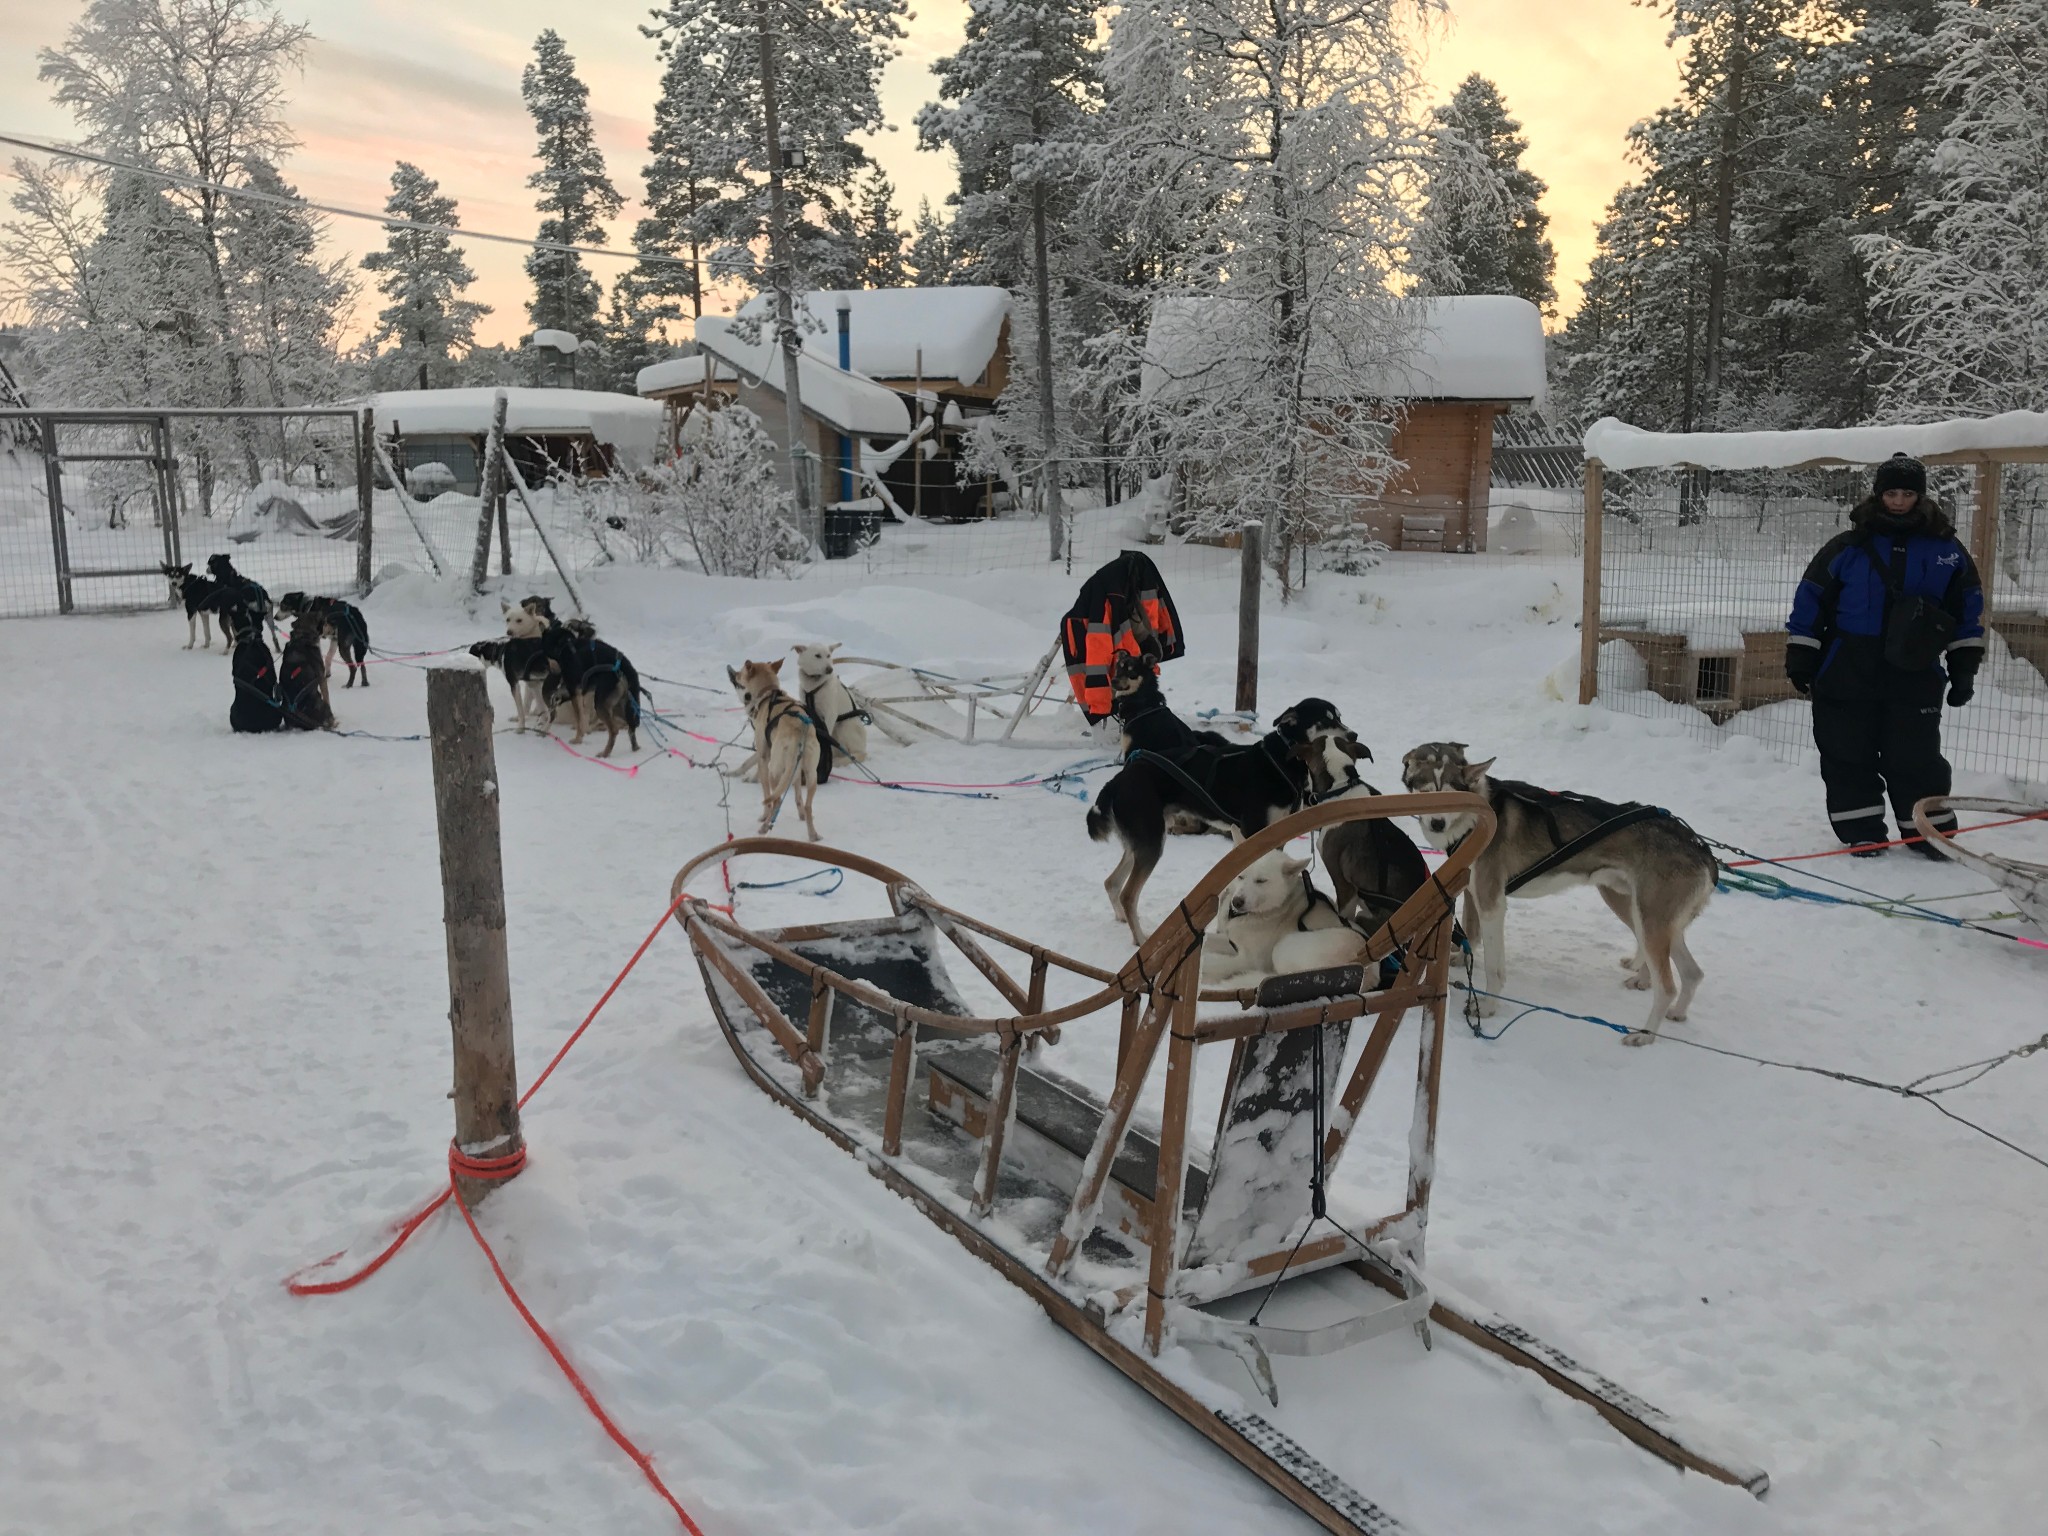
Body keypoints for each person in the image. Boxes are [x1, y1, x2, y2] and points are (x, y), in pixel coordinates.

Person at [1785, 452, 1984, 857]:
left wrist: (1964, 667)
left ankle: (1927, 832)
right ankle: (1862, 830)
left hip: (1914, 668)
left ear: (1920, 496)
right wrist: (1801, 654)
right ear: (1879, 494)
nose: (1898, 500)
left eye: (1907, 493)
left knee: (1915, 755)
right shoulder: (1847, 547)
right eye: (1891, 492)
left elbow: (1967, 609)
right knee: (1846, 750)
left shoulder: (1946, 550)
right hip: (1847, 665)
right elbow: (1811, 600)